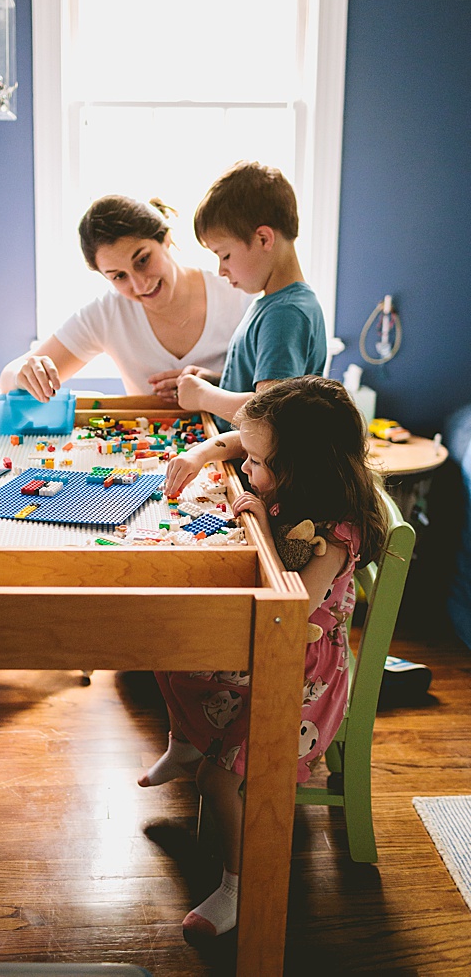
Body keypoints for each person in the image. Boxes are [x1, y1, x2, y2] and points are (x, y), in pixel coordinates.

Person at [139, 376, 388, 940]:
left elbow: (294, 608)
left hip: (303, 677)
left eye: (257, 461)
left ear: (305, 466)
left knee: (217, 779)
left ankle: (237, 886)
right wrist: (229, 475)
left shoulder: (336, 531)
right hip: (275, 650)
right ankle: (184, 744)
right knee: (169, 650)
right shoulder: (296, 485)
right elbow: (244, 453)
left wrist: (266, 539)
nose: (247, 468)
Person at [0, 195, 251, 402]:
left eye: (142, 260)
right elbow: (8, 378)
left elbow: (275, 391)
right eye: (119, 276)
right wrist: (25, 374)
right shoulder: (106, 313)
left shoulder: (237, 293)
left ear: (165, 239)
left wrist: (216, 382)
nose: (139, 284)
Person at [154, 161, 327, 430]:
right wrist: (216, 381)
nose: (221, 270)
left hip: (253, 471)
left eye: (225, 255)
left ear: (263, 239)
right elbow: (264, 387)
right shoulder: (273, 304)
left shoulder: (285, 313)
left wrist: (203, 396)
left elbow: (271, 415)